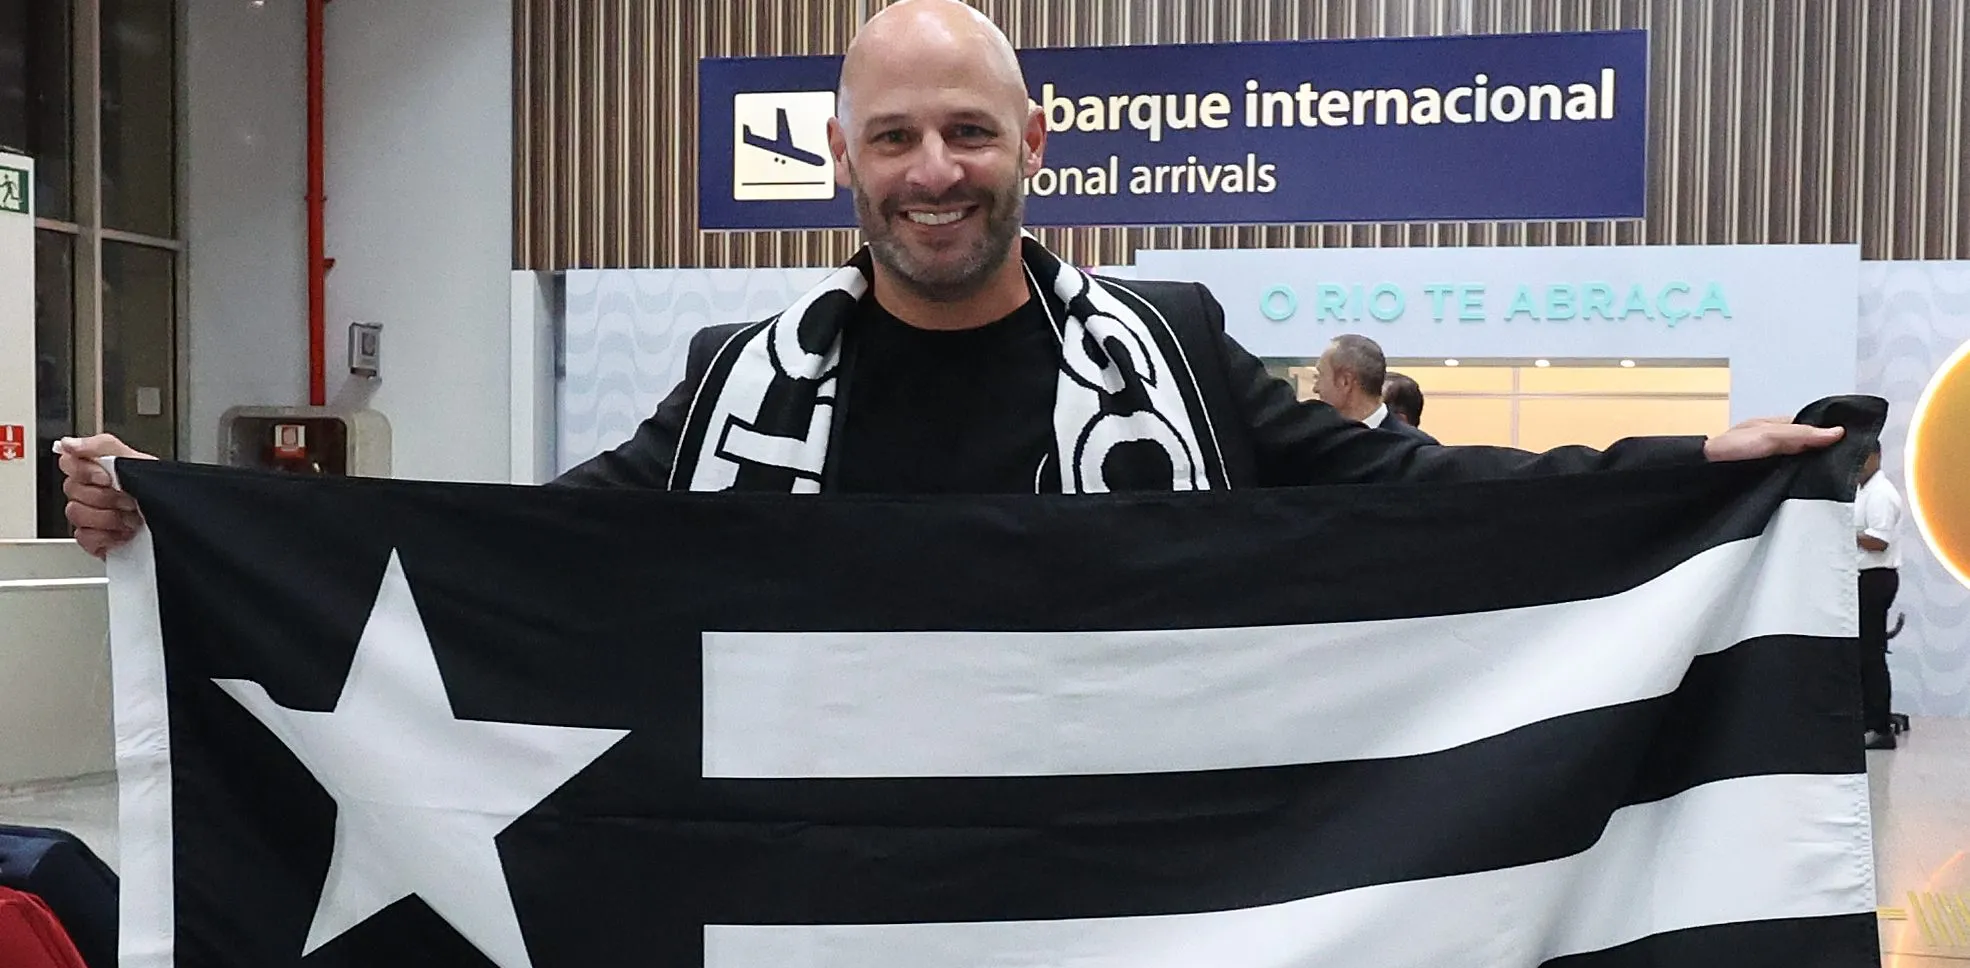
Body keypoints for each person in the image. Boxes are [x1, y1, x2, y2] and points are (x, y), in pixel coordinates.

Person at [57, 0, 1838, 554]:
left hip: (1128, 901)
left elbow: (1425, 493)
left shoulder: (1173, 349)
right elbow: (529, 540)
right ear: (840, 159)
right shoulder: (740, 379)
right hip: (828, 903)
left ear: (1033, 144)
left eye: (967, 136)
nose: (934, 174)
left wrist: (1689, 468)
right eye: (896, 138)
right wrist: (193, 514)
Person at [1855, 445, 1904, 750]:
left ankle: (1879, 726)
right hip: (1864, 578)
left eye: (1861, 459)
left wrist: (1842, 533)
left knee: (1871, 654)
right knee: (1863, 654)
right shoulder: (1864, 492)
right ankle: (1867, 720)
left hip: (1876, 579)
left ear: (1876, 457)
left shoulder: (1881, 494)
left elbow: (1879, 542)